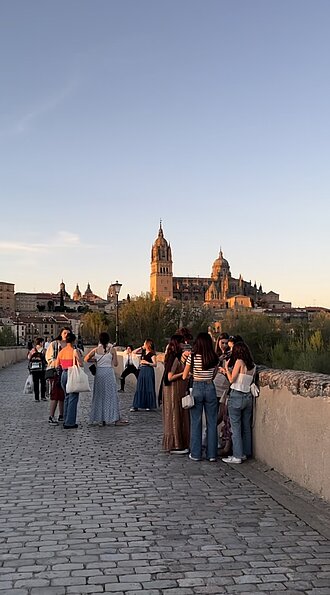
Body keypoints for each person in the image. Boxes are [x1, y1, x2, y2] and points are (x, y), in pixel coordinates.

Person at [183, 332, 219, 462]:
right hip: (210, 387)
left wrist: (194, 373)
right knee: (212, 422)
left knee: (196, 421)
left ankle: (196, 453)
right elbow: (214, 375)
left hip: (197, 387)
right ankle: (212, 454)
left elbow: (184, 375)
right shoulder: (214, 357)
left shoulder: (192, 357)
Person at [219, 341, 255, 464]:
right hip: (247, 396)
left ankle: (237, 455)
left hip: (237, 396)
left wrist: (226, 368)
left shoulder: (239, 362)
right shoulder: (253, 365)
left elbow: (231, 379)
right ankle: (246, 452)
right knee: (246, 426)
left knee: (235, 427)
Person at [84, 332, 128, 426]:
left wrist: (95, 360)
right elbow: (116, 364)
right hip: (108, 373)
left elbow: (86, 359)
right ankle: (114, 418)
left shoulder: (95, 350)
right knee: (111, 395)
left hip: (99, 373)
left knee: (99, 395)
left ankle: (100, 418)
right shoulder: (112, 349)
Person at [162, 335, 190, 454]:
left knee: (176, 415)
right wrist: (183, 373)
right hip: (174, 390)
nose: (184, 345)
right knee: (175, 415)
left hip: (175, 389)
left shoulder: (172, 356)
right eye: (182, 343)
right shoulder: (174, 358)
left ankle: (177, 443)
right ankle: (176, 444)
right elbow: (170, 376)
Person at [55, 331, 83, 429]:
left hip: (63, 374)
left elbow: (56, 364)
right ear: (74, 341)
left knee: (66, 397)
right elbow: (81, 363)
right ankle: (70, 422)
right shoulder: (75, 351)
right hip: (72, 374)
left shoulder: (61, 351)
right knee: (73, 398)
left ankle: (66, 419)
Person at [46, 327, 71, 425]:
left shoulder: (70, 345)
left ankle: (62, 415)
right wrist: (59, 362)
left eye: (68, 333)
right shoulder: (54, 344)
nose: (66, 335)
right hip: (56, 372)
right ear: (61, 334)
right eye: (65, 333)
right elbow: (49, 359)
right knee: (55, 395)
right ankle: (51, 416)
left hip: (67, 372)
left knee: (63, 394)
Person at [130, 339, 157, 411]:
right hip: (142, 370)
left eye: (145, 343)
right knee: (140, 386)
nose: (144, 344)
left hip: (148, 370)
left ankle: (148, 405)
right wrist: (141, 347)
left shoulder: (152, 354)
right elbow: (134, 352)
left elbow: (155, 364)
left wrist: (147, 362)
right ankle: (136, 405)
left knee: (148, 387)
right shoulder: (143, 352)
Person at [28, 337, 47, 402]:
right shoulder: (44, 350)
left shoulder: (33, 350)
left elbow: (29, 357)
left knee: (36, 383)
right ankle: (43, 396)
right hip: (42, 369)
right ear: (41, 343)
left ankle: (36, 398)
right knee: (43, 382)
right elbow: (46, 358)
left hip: (34, 369)